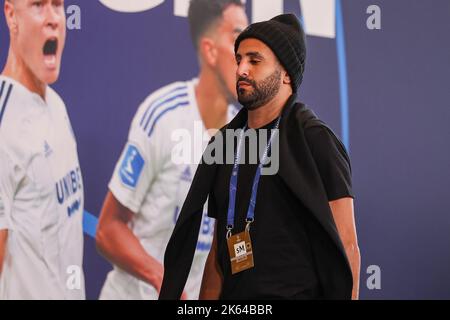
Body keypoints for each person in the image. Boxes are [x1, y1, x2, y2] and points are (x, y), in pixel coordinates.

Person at [159, 13, 361, 300]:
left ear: (287, 74)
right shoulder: (225, 144)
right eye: (238, 58)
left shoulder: (315, 140)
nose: (241, 69)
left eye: (254, 61)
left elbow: (347, 244)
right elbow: (219, 250)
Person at [95, 0, 248, 300]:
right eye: (237, 39)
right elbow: (108, 230)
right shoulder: (163, 115)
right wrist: (161, 277)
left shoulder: (244, 138)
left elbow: (233, 239)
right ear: (210, 50)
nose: (247, 58)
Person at [0, 0, 85, 299]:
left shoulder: (56, 104)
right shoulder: (3, 129)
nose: (53, 19)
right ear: (11, 15)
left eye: (58, 5)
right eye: (38, 5)